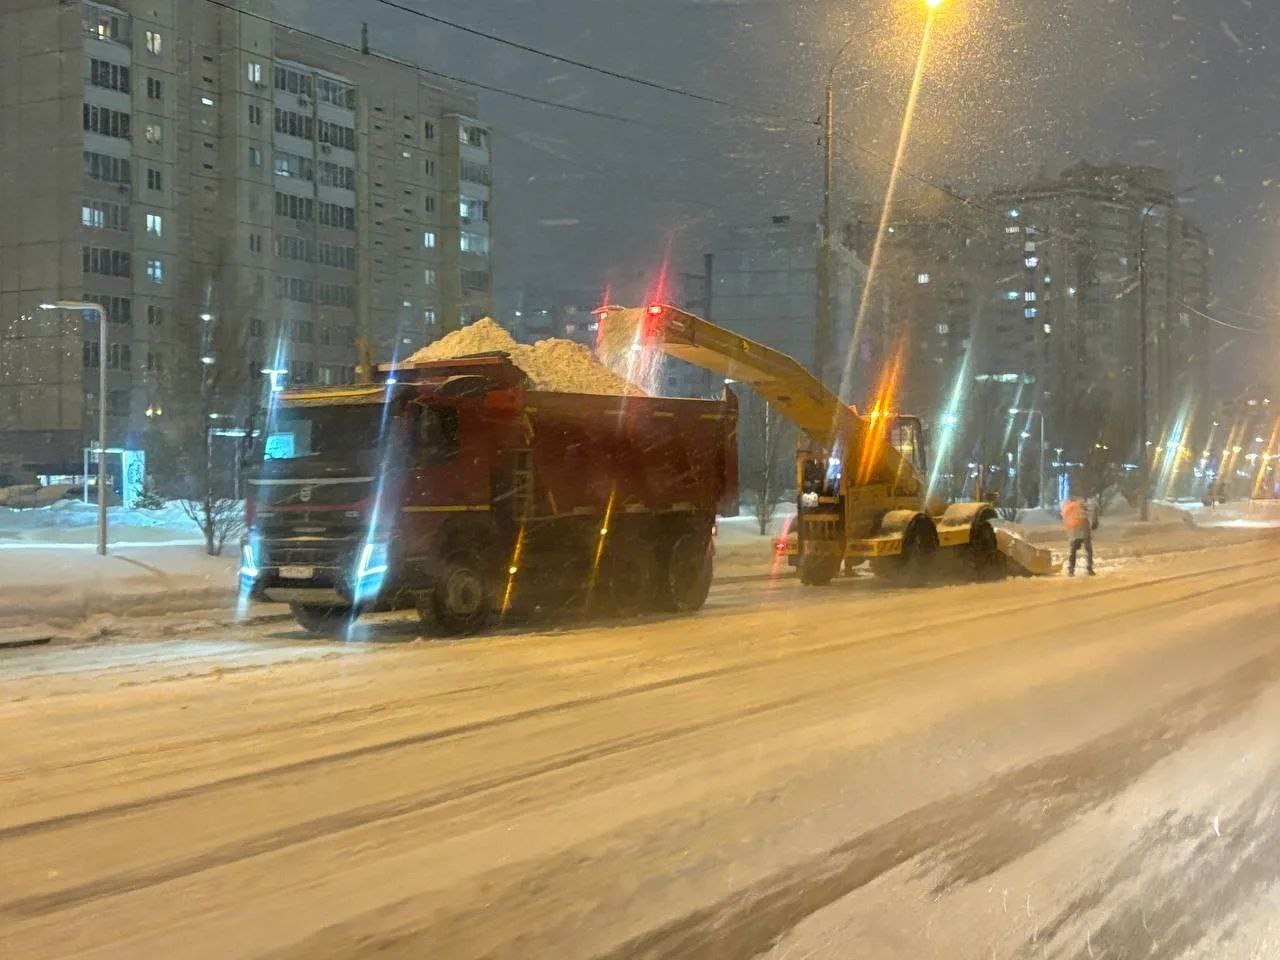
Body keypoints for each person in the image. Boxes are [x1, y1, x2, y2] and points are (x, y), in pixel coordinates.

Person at [1062, 494, 1095, 576]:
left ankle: (1071, 570)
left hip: (1074, 532)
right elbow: (1091, 513)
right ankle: (1089, 568)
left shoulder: (1068, 507)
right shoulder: (1082, 504)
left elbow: (1065, 519)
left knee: (1073, 550)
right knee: (1088, 550)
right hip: (1084, 529)